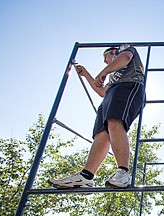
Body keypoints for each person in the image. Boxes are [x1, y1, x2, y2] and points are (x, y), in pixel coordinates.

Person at [48, 44, 145, 189]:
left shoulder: (124, 50)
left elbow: (125, 58)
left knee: (114, 122)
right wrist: (86, 74)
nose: (106, 63)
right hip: (112, 92)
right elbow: (102, 92)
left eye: (106, 59)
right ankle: (86, 176)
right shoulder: (113, 75)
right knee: (101, 133)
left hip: (129, 86)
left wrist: (104, 72)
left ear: (112, 52)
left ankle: (123, 172)